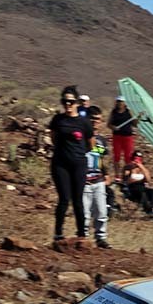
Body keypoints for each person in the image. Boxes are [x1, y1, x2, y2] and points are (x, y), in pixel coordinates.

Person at [48, 86, 93, 245]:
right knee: (64, 199)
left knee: (78, 200)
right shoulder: (57, 120)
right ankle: (58, 233)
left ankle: (82, 233)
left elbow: (90, 144)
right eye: (65, 101)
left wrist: (78, 153)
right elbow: (53, 138)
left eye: (71, 101)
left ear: (76, 102)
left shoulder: (84, 122)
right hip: (60, 163)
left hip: (79, 164)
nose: (68, 104)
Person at [83, 106, 111, 248]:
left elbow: (102, 159)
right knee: (85, 213)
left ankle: (101, 238)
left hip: (98, 179)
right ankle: (83, 239)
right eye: (92, 119)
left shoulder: (101, 140)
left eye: (98, 119)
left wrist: (106, 173)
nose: (95, 122)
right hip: (83, 180)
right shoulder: (80, 137)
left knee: (101, 211)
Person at [108, 96, 137, 171]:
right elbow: (109, 124)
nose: (120, 103)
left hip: (127, 137)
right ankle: (117, 175)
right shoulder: (114, 112)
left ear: (124, 103)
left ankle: (127, 174)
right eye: (118, 101)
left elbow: (135, 124)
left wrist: (137, 118)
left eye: (121, 101)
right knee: (117, 156)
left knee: (128, 156)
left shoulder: (129, 111)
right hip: (117, 136)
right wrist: (113, 127)